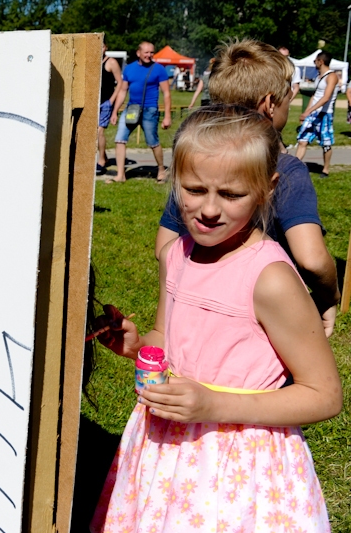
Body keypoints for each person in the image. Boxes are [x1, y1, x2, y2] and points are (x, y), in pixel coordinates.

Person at [91, 105, 342, 533]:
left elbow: (324, 395)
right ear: (175, 182)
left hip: (239, 465)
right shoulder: (178, 255)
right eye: (194, 189)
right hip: (169, 454)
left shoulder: (272, 279)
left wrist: (214, 407)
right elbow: (170, 340)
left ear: (267, 189)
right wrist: (136, 344)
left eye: (230, 194)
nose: (208, 209)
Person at [157, 40, 340, 335]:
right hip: (263, 326)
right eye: (287, 100)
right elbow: (313, 259)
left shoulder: (198, 165)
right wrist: (329, 297)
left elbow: (163, 247)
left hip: (192, 317)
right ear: (270, 104)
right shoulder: (286, 170)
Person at [110, 41, 172, 183]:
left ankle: (161, 170)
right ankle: (120, 175)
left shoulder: (159, 69)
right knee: (119, 139)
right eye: (146, 52)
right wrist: (115, 111)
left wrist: (167, 116)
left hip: (150, 111)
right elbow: (122, 91)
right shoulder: (129, 69)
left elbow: (167, 93)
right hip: (131, 109)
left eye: (151, 52)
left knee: (152, 142)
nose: (149, 55)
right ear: (138, 53)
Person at [295, 51, 339, 176]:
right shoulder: (319, 77)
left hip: (324, 114)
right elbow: (315, 95)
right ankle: (296, 166)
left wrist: (309, 110)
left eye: (315, 61)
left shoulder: (332, 76)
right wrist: (306, 113)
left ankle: (325, 169)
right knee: (302, 140)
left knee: (326, 143)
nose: (314, 63)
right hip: (313, 113)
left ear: (321, 61)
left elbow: (326, 97)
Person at [96, 43, 123, 175]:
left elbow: (120, 82)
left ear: (106, 47)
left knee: (99, 132)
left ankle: (101, 160)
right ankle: (105, 157)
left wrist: (111, 100)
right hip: (94, 102)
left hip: (106, 102)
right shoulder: (92, 61)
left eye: (101, 46)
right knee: (94, 133)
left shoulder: (111, 62)